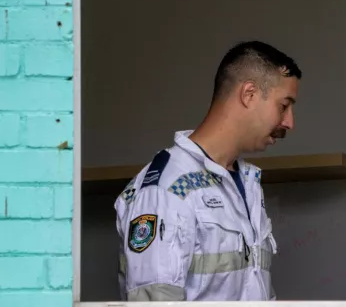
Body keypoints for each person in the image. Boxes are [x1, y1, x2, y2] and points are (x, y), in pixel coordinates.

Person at [114, 41, 301, 301]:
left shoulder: (246, 184)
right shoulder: (167, 189)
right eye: (284, 106)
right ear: (249, 94)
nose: (289, 122)